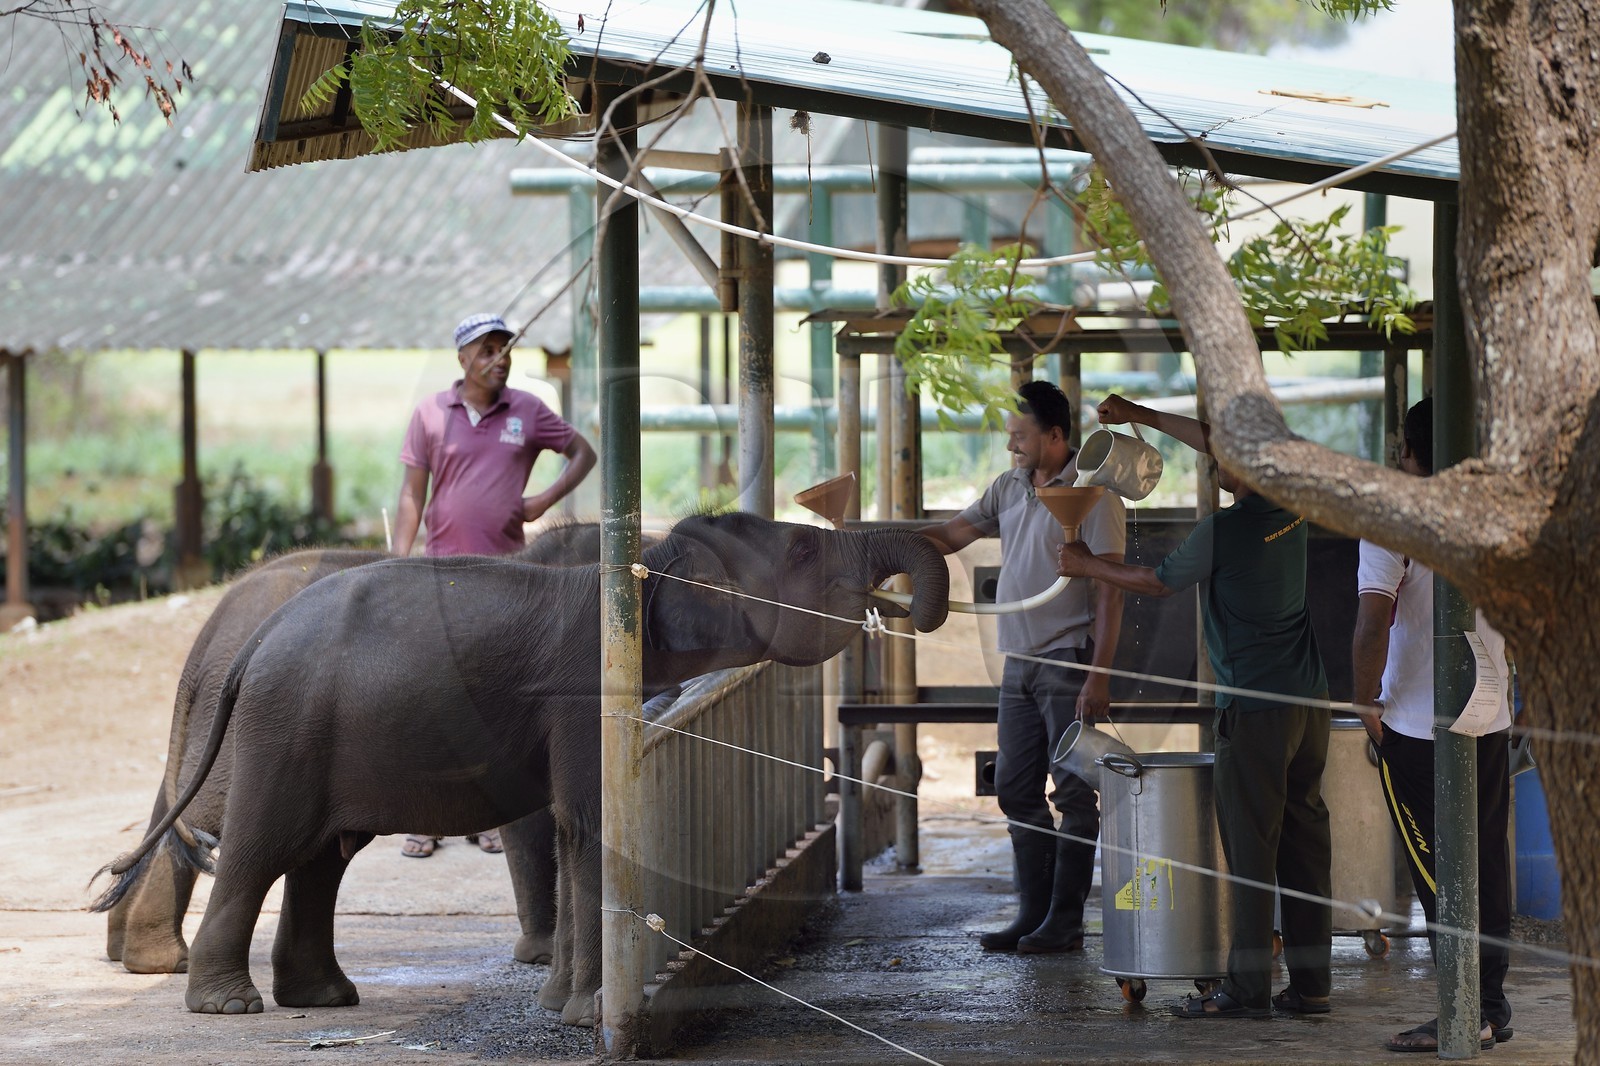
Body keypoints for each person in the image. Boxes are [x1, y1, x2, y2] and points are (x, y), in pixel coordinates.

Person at [1056, 393, 1332, 1019]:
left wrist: (1086, 564)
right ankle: (1313, 986)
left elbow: (1155, 582)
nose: (1213, 466)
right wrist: (1145, 417)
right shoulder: (1295, 504)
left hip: (1256, 710)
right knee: (1307, 843)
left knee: (1252, 847)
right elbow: (1215, 439)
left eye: (1220, 461)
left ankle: (1247, 988)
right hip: (1309, 702)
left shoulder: (1224, 531)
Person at [922, 379, 1126, 955]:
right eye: (1010, 437)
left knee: (1075, 792)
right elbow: (952, 534)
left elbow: (1111, 592)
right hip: (1019, 663)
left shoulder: (1096, 495)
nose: (1012, 447)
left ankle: (1064, 922)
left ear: (1056, 436)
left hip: (1067, 659)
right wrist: (886, 549)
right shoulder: (1009, 486)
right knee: (1015, 787)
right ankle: (1031, 915)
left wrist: (1099, 675)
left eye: (1020, 436)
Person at [392, 312, 597, 858]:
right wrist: (398, 563)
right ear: (462, 357)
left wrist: (542, 502)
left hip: (510, 579)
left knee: (493, 699)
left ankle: (487, 819)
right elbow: (413, 494)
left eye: (505, 350)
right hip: (441, 575)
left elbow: (584, 452)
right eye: (487, 350)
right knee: (434, 694)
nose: (499, 359)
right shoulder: (431, 414)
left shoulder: (527, 412)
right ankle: (425, 817)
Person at [1350, 397, 1514, 1053]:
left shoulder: (1392, 519)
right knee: (1486, 866)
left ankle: (1463, 1008)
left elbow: (1370, 622)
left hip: (1417, 728)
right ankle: (1491, 1006)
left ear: (1411, 453)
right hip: (1490, 712)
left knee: (1439, 872)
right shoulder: (1496, 515)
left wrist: (1365, 702)